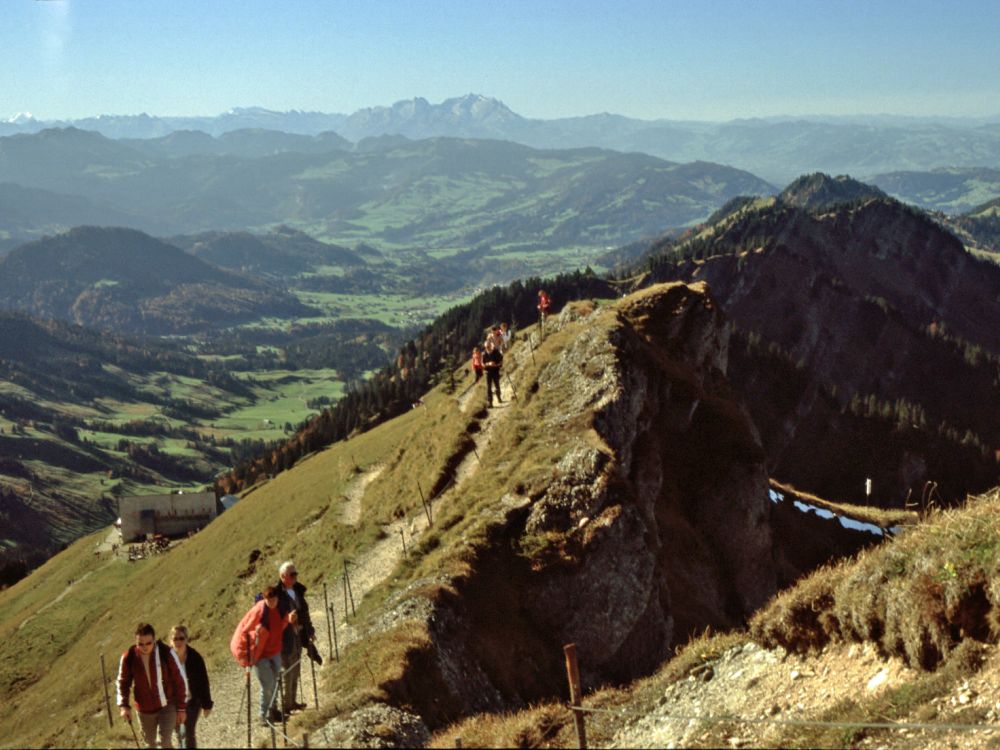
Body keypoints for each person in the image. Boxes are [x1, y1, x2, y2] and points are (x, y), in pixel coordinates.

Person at [117, 623, 187, 749]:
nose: (144, 647)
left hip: (167, 705)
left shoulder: (166, 653)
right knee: (150, 744)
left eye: (148, 643)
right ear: (136, 642)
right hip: (144, 710)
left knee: (165, 742)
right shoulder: (129, 657)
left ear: (154, 640)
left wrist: (181, 708)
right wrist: (124, 706)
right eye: (140, 644)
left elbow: (180, 680)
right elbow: (123, 682)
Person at [252, 585, 297, 724]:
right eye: (268, 600)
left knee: (275, 683)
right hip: (260, 656)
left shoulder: (280, 610)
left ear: (277, 599)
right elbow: (248, 632)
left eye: (274, 600)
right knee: (268, 685)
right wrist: (256, 632)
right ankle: (263, 715)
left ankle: (273, 711)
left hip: (275, 652)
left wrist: (288, 619)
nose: (271, 603)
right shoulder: (258, 613)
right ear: (264, 599)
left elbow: (280, 626)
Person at [275, 561, 316, 715]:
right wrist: (287, 620)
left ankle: (292, 702)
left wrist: (310, 630)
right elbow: (275, 618)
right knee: (287, 671)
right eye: (292, 575)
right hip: (285, 638)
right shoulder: (277, 594)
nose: (295, 577)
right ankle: (285, 705)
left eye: (295, 574)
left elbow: (304, 613)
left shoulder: (297, 591)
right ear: (283, 576)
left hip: (298, 636)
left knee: (296, 668)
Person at [169, 625, 213, 749]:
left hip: (192, 701)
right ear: (170, 641)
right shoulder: (166, 659)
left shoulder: (195, 658)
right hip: (174, 703)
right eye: (175, 639)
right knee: (179, 734)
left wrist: (207, 704)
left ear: (187, 639)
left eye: (181, 638)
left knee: (188, 731)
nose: (178, 642)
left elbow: (204, 682)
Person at [482, 338, 503, 407]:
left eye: (488, 346)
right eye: (486, 347)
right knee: (489, 387)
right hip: (488, 372)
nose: (487, 348)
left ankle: (499, 396)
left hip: (495, 371)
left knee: (497, 385)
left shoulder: (496, 352)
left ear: (491, 346)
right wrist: (488, 364)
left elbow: (501, 360)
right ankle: (490, 402)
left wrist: (496, 365)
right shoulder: (484, 354)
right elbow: (482, 364)